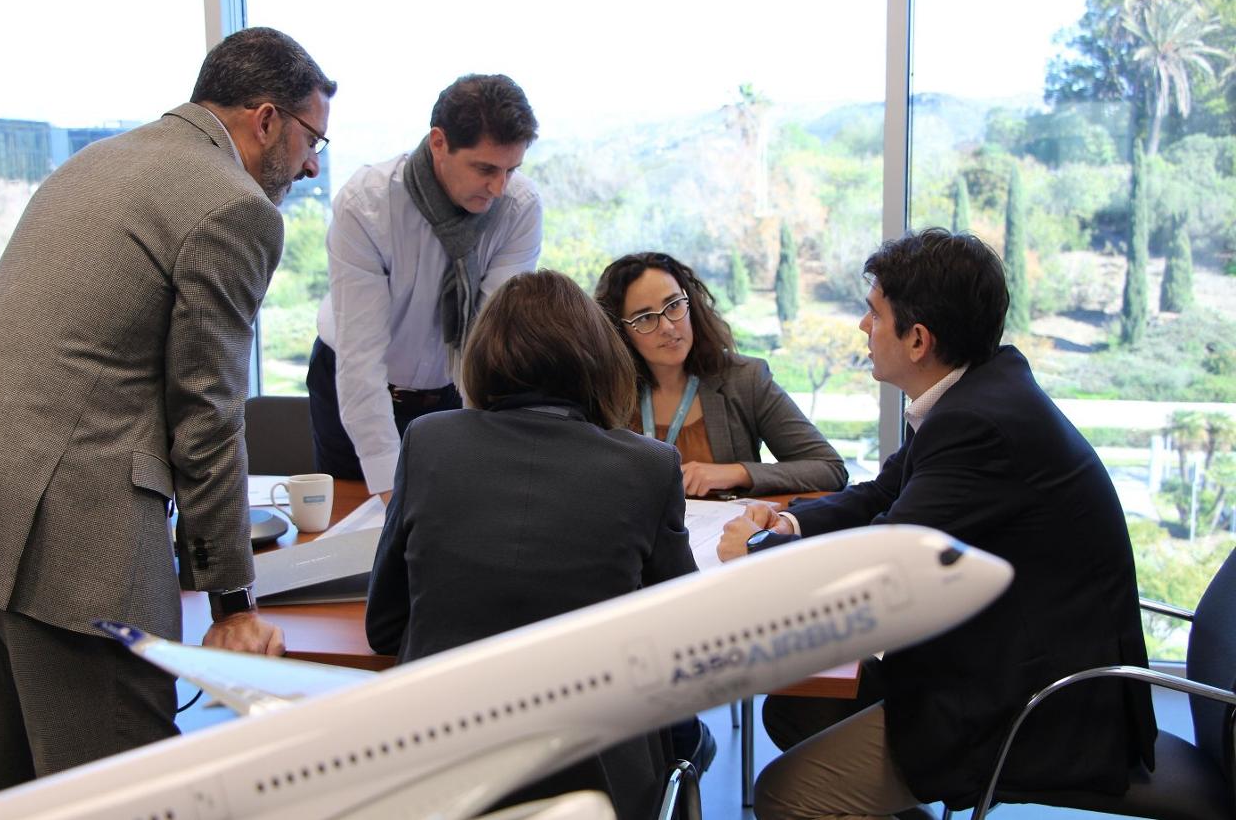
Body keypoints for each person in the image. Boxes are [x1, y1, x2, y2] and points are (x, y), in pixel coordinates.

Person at [0, 28, 335, 791]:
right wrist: (234, 601)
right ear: (267, 118)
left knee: (17, 789)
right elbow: (206, 415)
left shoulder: (97, 162)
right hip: (77, 547)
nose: (313, 165)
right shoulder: (233, 206)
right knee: (121, 791)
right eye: (313, 139)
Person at [717, 228, 1157, 819]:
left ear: (918, 339)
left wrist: (759, 552)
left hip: (1039, 704)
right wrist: (790, 524)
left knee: (783, 794)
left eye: (873, 314)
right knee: (794, 709)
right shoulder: (978, 390)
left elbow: (885, 564)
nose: (861, 328)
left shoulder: (978, 425)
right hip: (1000, 654)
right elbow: (881, 495)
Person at [365, 270, 697, 816]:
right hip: (599, 785)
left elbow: (384, 627)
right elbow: (683, 648)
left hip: (434, 775)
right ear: (601, 358)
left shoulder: (429, 441)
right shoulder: (649, 466)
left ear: (485, 356)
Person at [308, 73, 543, 502]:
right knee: (360, 527)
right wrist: (387, 488)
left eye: (511, 169)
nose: (499, 187)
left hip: (451, 387)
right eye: (485, 168)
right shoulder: (368, 204)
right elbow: (361, 358)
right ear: (439, 143)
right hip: (355, 382)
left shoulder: (519, 208)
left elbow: (489, 338)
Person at [595, 252, 848, 498]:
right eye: (646, 318)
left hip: (724, 537)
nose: (668, 327)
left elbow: (829, 468)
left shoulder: (745, 379)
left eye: (674, 305)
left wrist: (735, 473)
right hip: (636, 538)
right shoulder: (607, 394)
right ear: (619, 331)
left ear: (690, 303)